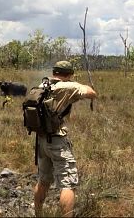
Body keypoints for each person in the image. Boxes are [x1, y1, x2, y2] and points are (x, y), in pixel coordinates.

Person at [34, 60, 97, 217]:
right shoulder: (69, 86)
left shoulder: (43, 85)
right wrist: (77, 83)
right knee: (68, 184)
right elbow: (92, 93)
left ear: (54, 72)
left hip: (41, 141)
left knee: (43, 181)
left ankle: (38, 214)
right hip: (57, 141)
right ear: (69, 74)